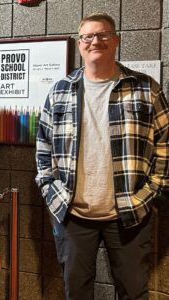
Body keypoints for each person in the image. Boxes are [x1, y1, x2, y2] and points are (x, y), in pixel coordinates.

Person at [35, 12, 169, 300]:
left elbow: (165, 145)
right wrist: (50, 189)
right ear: (80, 44)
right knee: (77, 292)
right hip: (73, 214)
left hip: (129, 213)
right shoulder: (60, 91)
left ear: (116, 40)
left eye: (103, 34)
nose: (95, 41)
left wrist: (149, 193)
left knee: (133, 292)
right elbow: (43, 148)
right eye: (88, 36)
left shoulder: (146, 89)